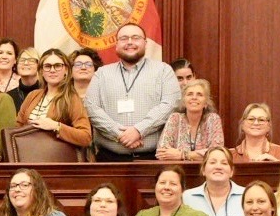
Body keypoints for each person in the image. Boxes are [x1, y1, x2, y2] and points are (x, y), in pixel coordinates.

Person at [85, 22, 181, 160]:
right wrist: (119, 134)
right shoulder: (102, 74)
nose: (130, 42)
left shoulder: (163, 71)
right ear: (116, 44)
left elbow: (170, 105)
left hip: (152, 159)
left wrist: (138, 131)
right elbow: (91, 108)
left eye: (135, 38)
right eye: (124, 38)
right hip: (109, 159)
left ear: (145, 43)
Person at [15, 47, 93, 150]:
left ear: (66, 70)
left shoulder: (71, 98)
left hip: (55, 160)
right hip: (28, 156)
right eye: (47, 66)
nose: (52, 70)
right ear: (41, 71)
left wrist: (56, 126)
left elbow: (86, 137)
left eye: (57, 66)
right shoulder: (32, 95)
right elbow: (17, 127)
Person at [184, 145, 247, 216]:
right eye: (212, 162)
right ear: (203, 170)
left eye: (224, 163)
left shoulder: (246, 195)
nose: (218, 167)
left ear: (231, 171)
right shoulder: (187, 197)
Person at [157, 79, 226, 162]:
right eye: (190, 94)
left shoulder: (213, 119)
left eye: (199, 95)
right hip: (177, 171)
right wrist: (198, 155)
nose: (194, 98)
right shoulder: (175, 118)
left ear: (206, 103)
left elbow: (217, 153)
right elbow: (161, 152)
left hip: (205, 171)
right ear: (183, 101)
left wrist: (182, 155)